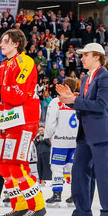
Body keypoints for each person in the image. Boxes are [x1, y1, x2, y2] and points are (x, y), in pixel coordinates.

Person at [0, 29, 46, 216]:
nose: (1, 44)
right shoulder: (2, 67)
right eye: (0, 41)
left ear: (16, 43)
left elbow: (18, 95)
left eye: (5, 41)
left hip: (24, 121)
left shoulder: (26, 62)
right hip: (7, 121)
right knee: (4, 167)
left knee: (17, 165)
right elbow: (2, 97)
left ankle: (38, 207)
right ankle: (20, 206)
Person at [56, 42, 108, 216]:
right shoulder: (85, 79)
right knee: (79, 171)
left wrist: (74, 99)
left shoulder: (106, 78)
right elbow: (83, 104)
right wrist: (70, 99)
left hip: (101, 133)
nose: (81, 58)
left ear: (97, 56)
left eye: (85, 55)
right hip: (85, 133)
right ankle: (82, 212)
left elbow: (101, 106)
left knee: (103, 174)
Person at [44, 78, 78, 207]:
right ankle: (75, 196)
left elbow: (51, 122)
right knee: (73, 169)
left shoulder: (56, 102)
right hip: (75, 141)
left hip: (60, 141)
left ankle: (57, 195)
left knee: (57, 168)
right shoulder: (78, 101)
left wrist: (49, 135)